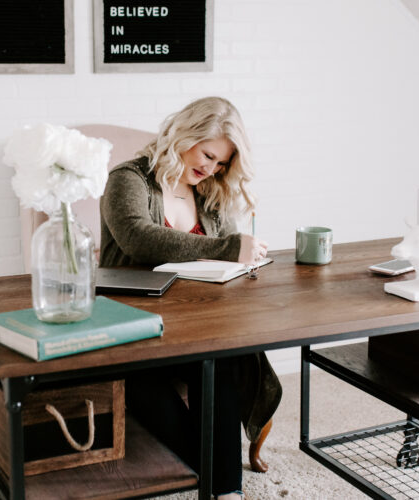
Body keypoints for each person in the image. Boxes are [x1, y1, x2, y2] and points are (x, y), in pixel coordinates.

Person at [99, 97, 282, 499]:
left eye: (220, 163)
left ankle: (224, 491)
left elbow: (225, 258)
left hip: (198, 323)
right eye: (208, 155)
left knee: (221, 358)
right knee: (144, 377)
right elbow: (138, 237)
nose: (211, 169)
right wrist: (230, 248)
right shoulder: (128, 178)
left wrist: (245, 262)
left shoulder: (210, 191)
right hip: (133, 323)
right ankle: (223, 482)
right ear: (187, 134)